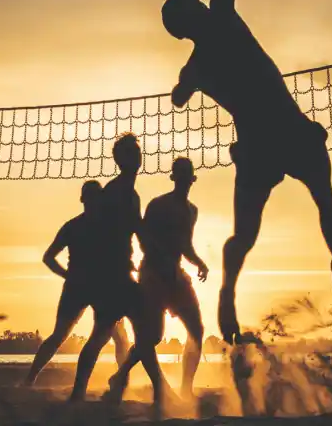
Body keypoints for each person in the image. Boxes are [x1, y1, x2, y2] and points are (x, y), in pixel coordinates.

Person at [160, 0, 332, 343]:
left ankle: (227, 293)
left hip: (256, 145)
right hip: (285, 128)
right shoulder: (221, 15)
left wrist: (187, 82)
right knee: (324, 198)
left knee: (245, 236)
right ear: (193, 14)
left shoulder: (197, 62)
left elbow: (177, 99)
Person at [69, 134, 171, 405]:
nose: (137, 158)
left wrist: (152, 253)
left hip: (122, 275)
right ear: (119, 159)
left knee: (141, 334)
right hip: (111, 277)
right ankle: (81, 392)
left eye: (137, 153)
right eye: (130, 154)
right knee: (104, 336)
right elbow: (118, 232)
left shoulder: (129, 193)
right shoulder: (116, 192)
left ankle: (153, 387)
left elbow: (137, 230)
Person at [105, 157, 209, 403]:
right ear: (174, 178)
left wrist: (199, 262)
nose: (184, 179)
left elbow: (185, 245)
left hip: (175, 272)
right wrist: (160, 261)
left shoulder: (192, 210)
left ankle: (186, 388)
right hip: (152, 272)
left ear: (192, 179)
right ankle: (120, 375)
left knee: (196, 329)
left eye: (187, 174)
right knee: (152, 337)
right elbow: (144, 238)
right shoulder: (158, 205)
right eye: (179, 174)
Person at [24, 181, 129, 386]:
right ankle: (30, 379)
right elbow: (48, 257)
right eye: (91, 197)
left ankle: (122, 380)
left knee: (117, 335)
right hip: (83, 287)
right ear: (84, 200)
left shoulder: (103, 226)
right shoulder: (77, 226)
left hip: (97, 286)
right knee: (62, 336)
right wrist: (68, 276)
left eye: (95, 197)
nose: (93, 202)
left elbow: (49, 258)